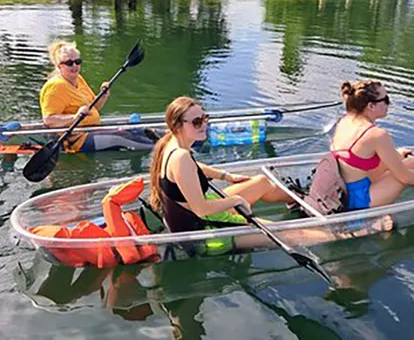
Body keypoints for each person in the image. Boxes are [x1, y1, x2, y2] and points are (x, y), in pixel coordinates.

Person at [149, 96, 391, 255]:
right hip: (202, 232)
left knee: (261, 182)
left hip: (191, 213)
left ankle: (302, 202)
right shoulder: (179, 156)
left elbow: (195, 168)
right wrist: (236, 201)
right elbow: (201, 209)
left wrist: (228, 176)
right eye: (197, 121)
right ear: (178, 124)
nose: (204, 125)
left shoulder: (171, 143)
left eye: (205, 118)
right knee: (288, 233)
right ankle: (357, 231)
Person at [331, 80, 414, 210]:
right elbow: (406, 178)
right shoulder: (376, 134)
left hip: (343, 191)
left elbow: (357, 163)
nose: (389, 103)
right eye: (385, 99)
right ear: (371, 106)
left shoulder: (345, 121)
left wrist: (396, 155)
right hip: (360, 200)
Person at [39, 41, 155, 152]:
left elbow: (93, 108)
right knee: (121, 137)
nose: (75, 66)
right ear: (59, 66)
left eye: (78, 61)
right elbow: (49, 120)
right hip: (77, 140)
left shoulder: (78, 79)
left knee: (137, 132)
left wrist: (103, 95)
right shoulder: (55, 87)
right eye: (69, 63)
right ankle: (159, 149)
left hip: (92, 129)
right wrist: (74, 117)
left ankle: (164, 139)